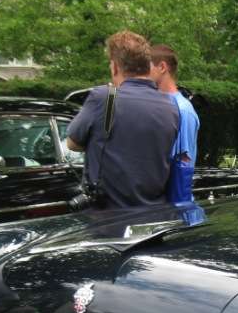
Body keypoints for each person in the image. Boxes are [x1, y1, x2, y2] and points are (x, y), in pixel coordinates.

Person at [66, 30, 178, 208]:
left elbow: (72, 143)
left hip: (109, 219)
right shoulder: (170, 106)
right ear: (147, 66)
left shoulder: (104, 98)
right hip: (154, 217)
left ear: (115, 66)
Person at [150, 43, 200, 205]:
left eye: (147, 67)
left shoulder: (183, 110)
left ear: (162, 67)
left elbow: (183, 163)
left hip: (171, 208)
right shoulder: (154, 104)